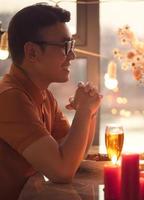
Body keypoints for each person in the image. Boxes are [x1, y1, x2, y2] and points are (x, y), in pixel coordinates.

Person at [0, 4, 102, 200]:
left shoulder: (44, 95)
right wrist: (83, 112)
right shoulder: (10, 98)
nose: (72, 55)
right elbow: (62, 172)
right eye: (65, 46)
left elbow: (74, 157)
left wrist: (89, 111)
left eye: (71, 46)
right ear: (32, 52)